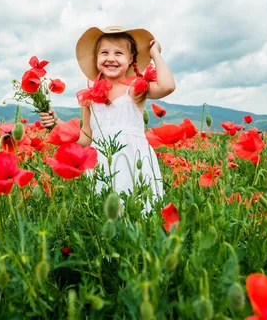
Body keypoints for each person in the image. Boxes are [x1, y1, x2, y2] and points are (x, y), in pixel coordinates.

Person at [40, 26, 176, 209]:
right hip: (102, 164)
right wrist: (56, 123)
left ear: (130, 60)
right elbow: (85, 139)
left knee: (139, 210)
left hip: (134, 161)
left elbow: (167, 86)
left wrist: (155, 54)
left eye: (119, 53)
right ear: (96, 59)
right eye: (104, 53)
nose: (110, 58)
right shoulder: (89, 99)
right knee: (107, 213)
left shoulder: (136, 88)